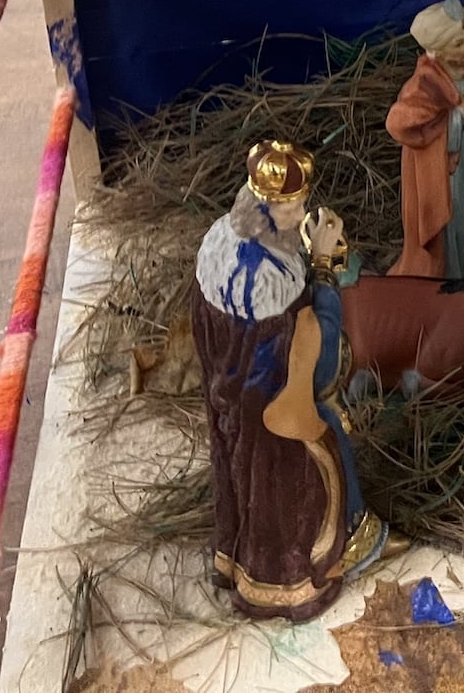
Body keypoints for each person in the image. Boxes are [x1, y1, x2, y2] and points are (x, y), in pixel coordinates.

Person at [191, 141, 391, 619]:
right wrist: (323, 269)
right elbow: (313, 363)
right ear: (263, 209)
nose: (301, 214)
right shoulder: (269, 287)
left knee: (239, 477)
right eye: (292, 207)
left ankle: (235, 558)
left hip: (232, 405)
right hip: (275, 418)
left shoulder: (219, 246)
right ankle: (344, 544)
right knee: (328, 440)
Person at [386, 0, 464, 279]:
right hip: (442, 168)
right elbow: (399, 125)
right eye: (458, 43)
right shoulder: (423, 86)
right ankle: (454, 273)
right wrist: (458, 115)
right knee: (456, 218)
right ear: (436, 50)